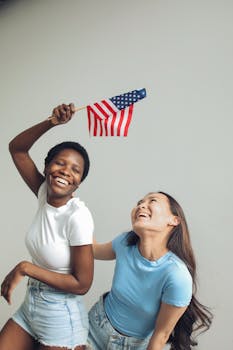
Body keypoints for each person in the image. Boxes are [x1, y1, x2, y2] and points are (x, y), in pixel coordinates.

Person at [0, 103, 94, 350]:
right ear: (46, 167)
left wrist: (25, 268)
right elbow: (17, 149)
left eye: (76, 170)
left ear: (78, 183)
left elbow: (82, 284)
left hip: (61, 318)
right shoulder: (44, 192)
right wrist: (51, 122)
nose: (65, 172)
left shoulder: (78, 216)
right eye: (60, 163)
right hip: (31, 308)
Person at [87, 191, 213, 350]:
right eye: (139, 202)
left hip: (135, 346)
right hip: (94, 328)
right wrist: (77, 213)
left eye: (152, 201)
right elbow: (93, 250)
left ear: (174, 220)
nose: (141, 205)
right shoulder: (125, 242)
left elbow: (160, 336)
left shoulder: (177, 276)